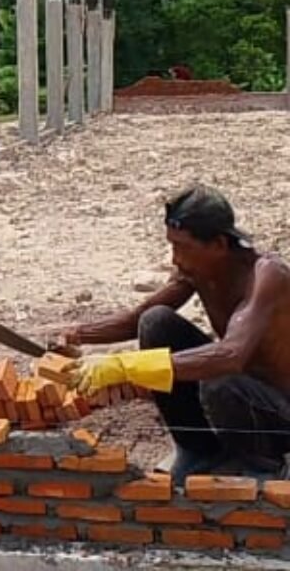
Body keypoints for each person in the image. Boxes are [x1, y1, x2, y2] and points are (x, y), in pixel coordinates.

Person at [61, 184, 290, 483]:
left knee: (218, 380)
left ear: (219, 245)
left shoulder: (266, 277)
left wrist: (124, 367)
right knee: (155, 323)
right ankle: (199, 449)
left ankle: (265, 468)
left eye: (183, 247)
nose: (175, 259)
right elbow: (138, 318)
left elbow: (231, 355)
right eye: (173, 246)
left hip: (280, 411)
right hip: (243, 395)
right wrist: (77, 335)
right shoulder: (198, 269)